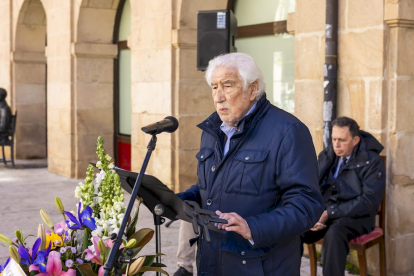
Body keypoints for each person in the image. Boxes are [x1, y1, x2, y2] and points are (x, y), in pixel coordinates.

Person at [177, 53, 324, 275]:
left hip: (262, 266)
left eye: (228, 86)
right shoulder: (212, 130)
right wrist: (178, 201)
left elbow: (306, 205)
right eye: (214, 87)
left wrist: (252, 227)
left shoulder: (288, 131)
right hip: (212, 261)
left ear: (252, 89)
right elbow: (210, 187)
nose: (218, 96)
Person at [301, 116, 386, 276]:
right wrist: (312, 213)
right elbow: (312, 185)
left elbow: (369, 201)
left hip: (357, 217)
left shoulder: (372, 162)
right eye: (333, 139)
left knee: (335, 233)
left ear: (355, 140)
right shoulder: (327, 155)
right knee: (295, 226)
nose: (336, 145)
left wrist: (329, 213)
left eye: (342, 140)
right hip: (327, 213)